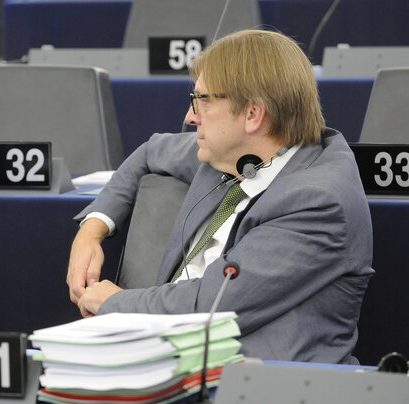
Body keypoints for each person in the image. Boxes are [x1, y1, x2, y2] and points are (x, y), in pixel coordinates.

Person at [66, 29, 373, 364]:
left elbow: (211, 306)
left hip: (256, 384)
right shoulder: (232, 149)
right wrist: (91, 231)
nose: (190, 116)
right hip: (166, 356)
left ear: (253, 115)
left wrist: (113, 302)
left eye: (204, 100)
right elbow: (150, 151)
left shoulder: (317, 201)